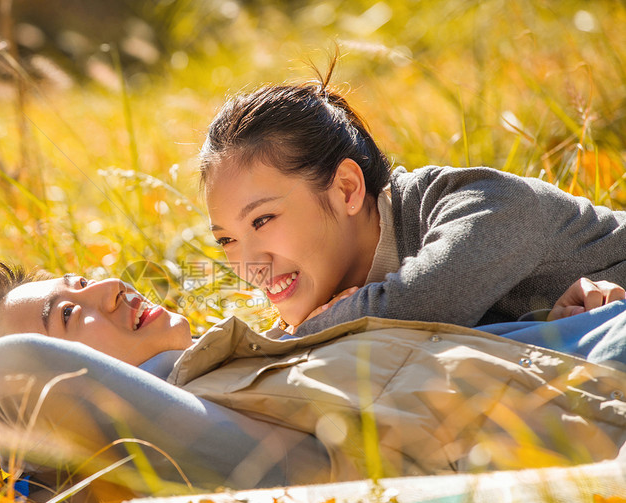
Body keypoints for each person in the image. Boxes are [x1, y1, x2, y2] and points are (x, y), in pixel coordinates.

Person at [0, 261, 626, 503]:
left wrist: (548, 323)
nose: (107, 283)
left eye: (78, 280)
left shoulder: (265, 351)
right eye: (69, 312)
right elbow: (15, 369)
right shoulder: (215, 429)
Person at [200, 72, 626, 336]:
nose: (249, 265)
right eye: (227, 241)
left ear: (347, 188)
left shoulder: (482, 204)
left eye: (262, 220)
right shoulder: (344, 295)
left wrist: (305, 332)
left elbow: (426, 301)